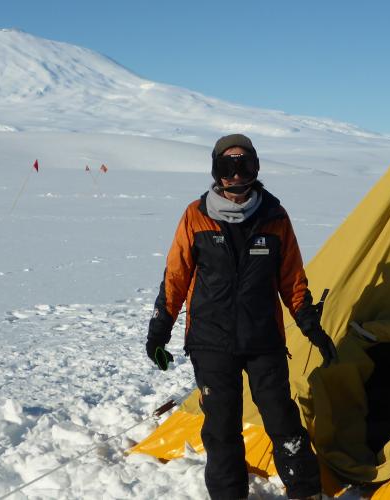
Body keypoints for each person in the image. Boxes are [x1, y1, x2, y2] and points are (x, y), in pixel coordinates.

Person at [146, 134, 338, 500]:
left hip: (263, 341)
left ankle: (306, 492)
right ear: (216, 172)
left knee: (283, 421)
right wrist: (158, 333)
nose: (236, 176)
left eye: (244, 165)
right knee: (221, 429)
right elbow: (175, 278)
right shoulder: (195, 216)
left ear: (256, 168)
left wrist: (310, 326)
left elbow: (293, 280)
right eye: (227, 167)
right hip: (210, 341)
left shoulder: (274, 218)